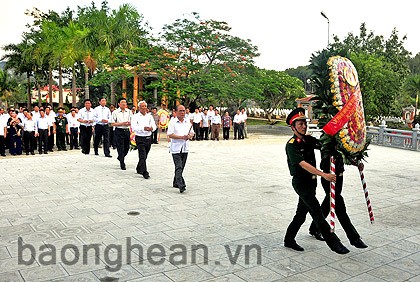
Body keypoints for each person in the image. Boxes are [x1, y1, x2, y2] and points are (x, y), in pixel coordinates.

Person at [284, 107, 350, 254]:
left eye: (304, 123)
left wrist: (351, 156)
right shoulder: (291, 145)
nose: (303, 126)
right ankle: (334, 243)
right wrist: (323, 175)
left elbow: (325, 146)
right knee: (317, 212)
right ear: (293, 127)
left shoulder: (308, 140)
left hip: (311, 183)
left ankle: (289, 240)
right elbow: (303, 164)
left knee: (301, 215)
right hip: (301, 183)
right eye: (300, 124)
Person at [308, 153, 368, 248]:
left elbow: (345, 155)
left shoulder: (342, 140)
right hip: (329, 177)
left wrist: (356, 163)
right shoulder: (327, 140)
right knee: (340, 208)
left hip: (339, 177)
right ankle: (354, 238)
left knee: (328, 203)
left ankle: (314, 228)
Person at [167, 105, 194, 193]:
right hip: (176, 148)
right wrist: (181, 137)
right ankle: (181, 184)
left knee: (181, 167)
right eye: (180, 111)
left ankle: (175, 181)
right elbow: (170, 134)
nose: (182, 113)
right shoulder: (173, 122)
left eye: (184, 111)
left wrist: (189, 136)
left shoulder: (187, 122)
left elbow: (192, 133)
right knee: (178, 166)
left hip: (185, 148)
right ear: (176, 112)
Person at [131, 101, 156, 178]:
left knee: (145, 155)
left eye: (145, 106)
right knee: (142, 155)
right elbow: (134, 127)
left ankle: (139, 167)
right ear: (139, 108)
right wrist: (143, 128)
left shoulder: (149, 116)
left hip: (148, 137)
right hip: (140, 137)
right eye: (142, 106)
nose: (144, 108)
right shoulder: (135, 116)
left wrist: (152, 128)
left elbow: (154, 126)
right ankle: (144, 172)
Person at [111, 98, 133, 170]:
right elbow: (112, 123)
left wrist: (130, 123)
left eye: (125, 102)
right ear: (119, 104)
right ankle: (122, 163)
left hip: (126, 131)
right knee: (120, 147)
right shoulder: (115, 112)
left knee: (126, 147)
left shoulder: (129, 112)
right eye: (122, 102)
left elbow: (132, 121)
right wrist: (122, 123)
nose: (124, 104)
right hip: (118, 131)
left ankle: (120, 157)